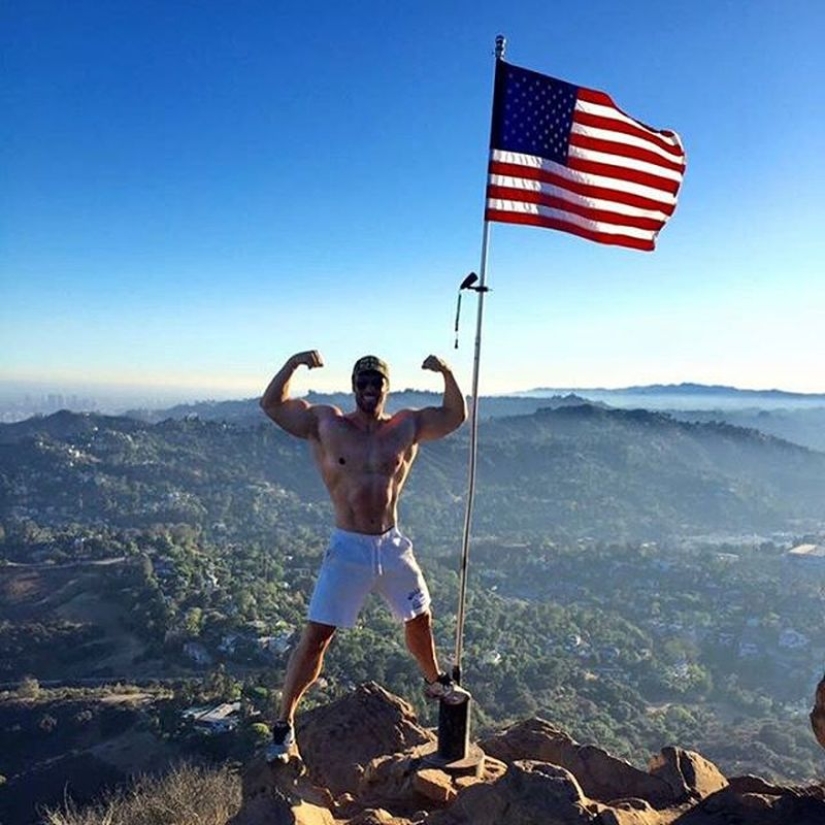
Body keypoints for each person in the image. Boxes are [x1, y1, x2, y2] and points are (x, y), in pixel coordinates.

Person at [259, 350, 470, 762]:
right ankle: (284, 724)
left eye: (376, 383)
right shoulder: (326, 423)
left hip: (391, 544)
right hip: (348, 546)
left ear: (386, 388)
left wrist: (446, 372)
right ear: (353, 387)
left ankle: (435, 681)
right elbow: (272, 405)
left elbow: (455, 415)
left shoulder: (405, 425)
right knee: (317, 637)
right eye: (363, 384)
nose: (369, 390)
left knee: (420, 618)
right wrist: (294, 363)